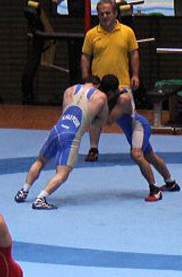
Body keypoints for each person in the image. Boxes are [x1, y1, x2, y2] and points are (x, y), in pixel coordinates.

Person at [14, 76, 117, 209]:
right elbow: (103, 121)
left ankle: (24, 190)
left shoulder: (69, 90)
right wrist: (91, 118)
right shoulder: (100, 96)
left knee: (40, 161)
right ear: (97, 85)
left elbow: (64, 111)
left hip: (56, 130)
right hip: (71, 136)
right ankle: (41, 198)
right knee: (62, 174)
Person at [80, 0, 139, 161]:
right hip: (99, 86)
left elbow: (134, 54)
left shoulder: (127, 32)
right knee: (94, 118)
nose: (105, 16)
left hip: (123, 83)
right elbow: (85, 57)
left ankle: (136, 147)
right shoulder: (91, 35)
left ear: (115, 14)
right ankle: (93, 149)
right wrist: (86, 78)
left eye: (108, 13)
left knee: (130, 117)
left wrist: (135, 75)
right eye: (101, 14)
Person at [108, 91, 181, 201]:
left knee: (136, 154)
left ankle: (155, 190)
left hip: (139, 127)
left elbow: (109, 120)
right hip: (131, 131)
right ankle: (171, 183)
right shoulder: (107, 100)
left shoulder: (123, 98)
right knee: (150, 156)